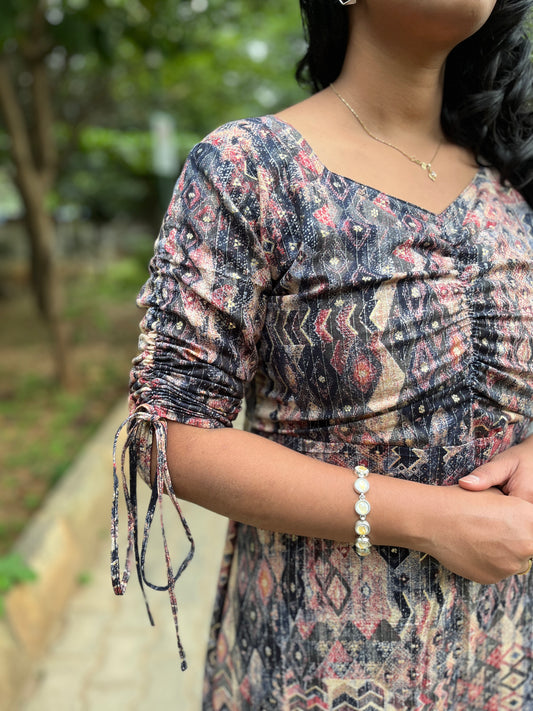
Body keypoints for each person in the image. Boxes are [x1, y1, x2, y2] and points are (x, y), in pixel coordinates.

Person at [111, 0, 533, 708]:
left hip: (502, 659)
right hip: (315, 667)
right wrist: (430, 519)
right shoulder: (250, 169)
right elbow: (169, 434)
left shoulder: (515, 179)